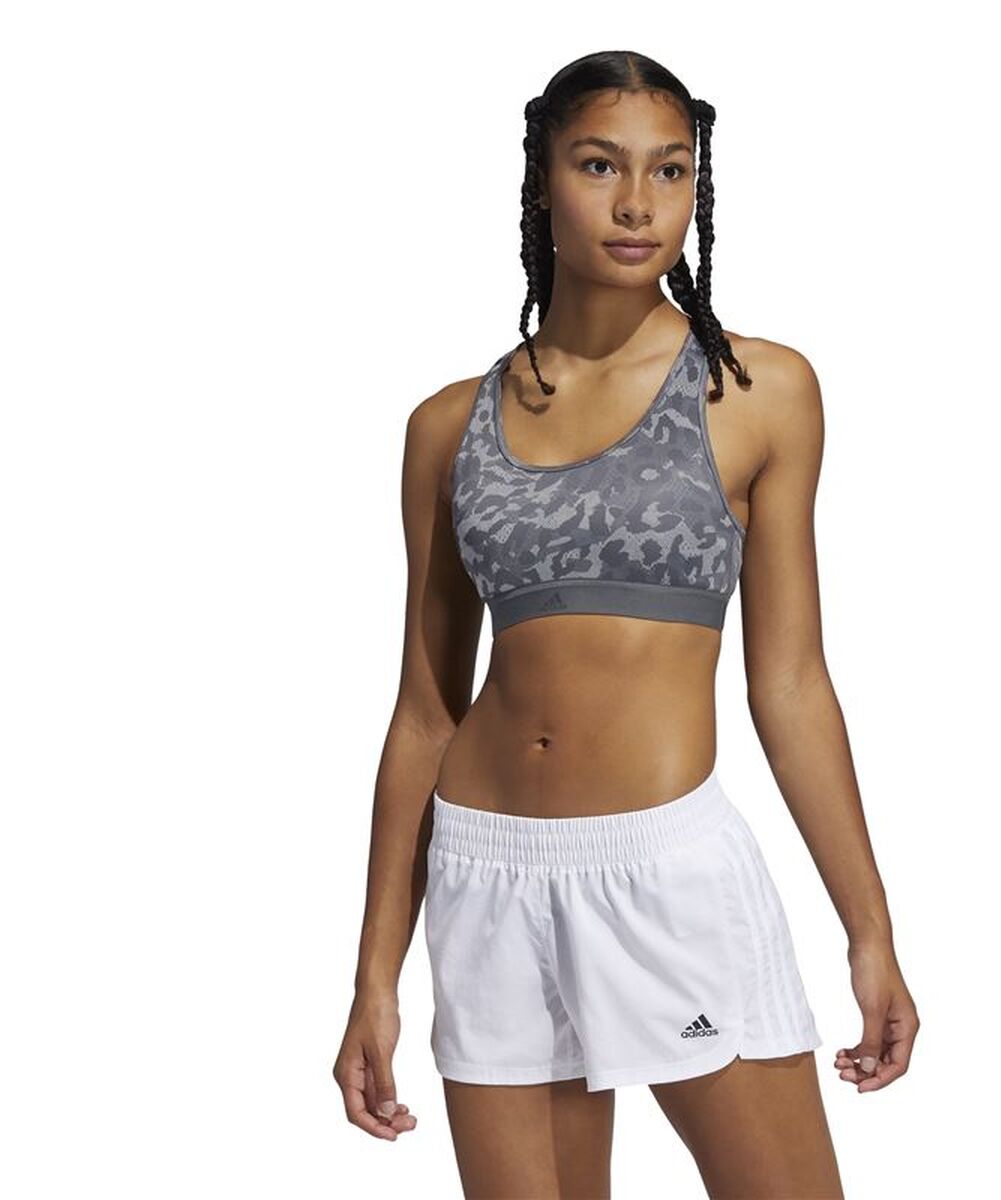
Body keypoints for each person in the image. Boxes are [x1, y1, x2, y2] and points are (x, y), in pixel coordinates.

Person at [333, 49, 918, 1199]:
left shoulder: (757, 391)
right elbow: (424, 714)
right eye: (600, 165)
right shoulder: (447, 426)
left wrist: (869, 928)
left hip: (665, 870)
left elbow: (791, 683)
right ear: (542, 179)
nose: (640, 202)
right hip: (486, 872)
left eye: (671, 169)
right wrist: (375, 977)